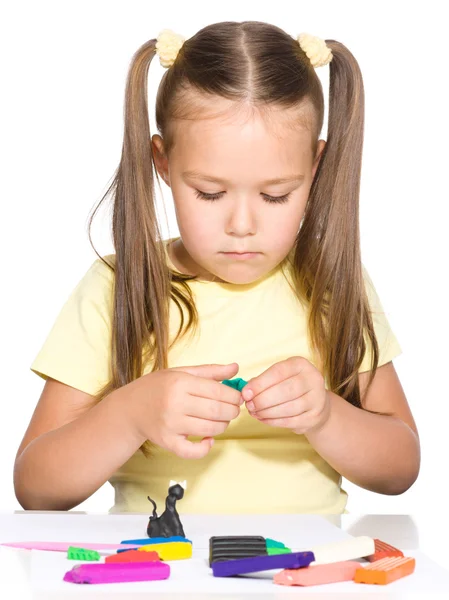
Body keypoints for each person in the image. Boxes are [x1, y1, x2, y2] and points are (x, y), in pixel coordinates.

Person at [14, 21, 420, 515]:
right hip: (157, 578)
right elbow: (35, 488)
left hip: (299, 581)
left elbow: (400, 468)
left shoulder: (332, 284)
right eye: (209, 192)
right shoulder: (119, 287)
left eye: (276, 195)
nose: (242, 225)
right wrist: (128, 416)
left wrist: (327, 416)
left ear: (316, 166)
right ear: (162, 162)